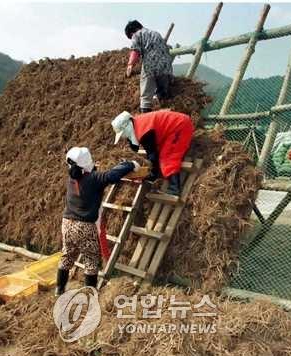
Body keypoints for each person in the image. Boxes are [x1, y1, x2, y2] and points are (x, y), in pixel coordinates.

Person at [56, 147, 139, 296]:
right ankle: (90, 294)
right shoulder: (93, 179)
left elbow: (91, 176)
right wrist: (130, 164)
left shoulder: (71, 179)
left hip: (67, 223)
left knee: (67, 256)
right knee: (91, 260)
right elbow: (112, 176)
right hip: (84, 226)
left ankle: (59, 290)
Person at [111, 110, 194, 196]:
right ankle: (161, 175)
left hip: (180, 126)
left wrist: (153, 173)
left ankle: (175, 188)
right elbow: (136, 144)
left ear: (126, 128)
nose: (123, 136)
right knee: (160, 153)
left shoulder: (144, 132)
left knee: (167, 157)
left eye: (122, 134)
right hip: (173, 126)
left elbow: (153, 155)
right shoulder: (136, 124)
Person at [124, 20, 173, 113]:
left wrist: (130, 65)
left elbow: (135, 50)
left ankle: (145, 110)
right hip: (166, 65)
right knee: (162, 88)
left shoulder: (137, 34)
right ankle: (164, 102)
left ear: (132, 32)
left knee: (146, 86)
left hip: (151, 63)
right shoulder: (156, 33)